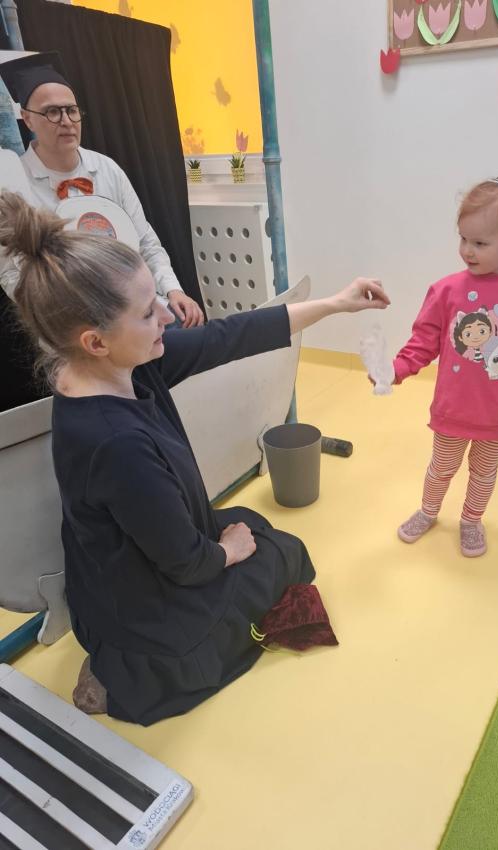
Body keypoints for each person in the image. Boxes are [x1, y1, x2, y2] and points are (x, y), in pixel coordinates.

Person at [0, 191, 388, 725]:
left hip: (131, 565)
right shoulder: (115, 442)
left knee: (258, 530)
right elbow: (184, 563)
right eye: (147, 312)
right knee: (282, 553)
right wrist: (226, 552)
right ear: (95, 341)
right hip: (145, 605)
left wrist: (335, 304)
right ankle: (117, 678)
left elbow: (231, 336)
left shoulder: (119, 366)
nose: (167, 315)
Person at [384, 176, 498, 557]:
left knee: (484, 472)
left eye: (480, 243)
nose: (467, 250)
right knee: (441, 467)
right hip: (454, 408)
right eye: (463, 238)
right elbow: (424, 339)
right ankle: (428, 511)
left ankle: (471, 520)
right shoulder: (446, 290)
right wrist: (397, 368)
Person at [0, 52, 204, 327]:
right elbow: (11, 273)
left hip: (133, 304)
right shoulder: (14, 185)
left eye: (72, 110)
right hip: (72, 323)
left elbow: (145, 240)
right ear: (27, 119)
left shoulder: (106, 169)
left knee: (195, 332)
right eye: (52, 112)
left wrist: (173, 290)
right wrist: (58, 320)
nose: (66, 121)